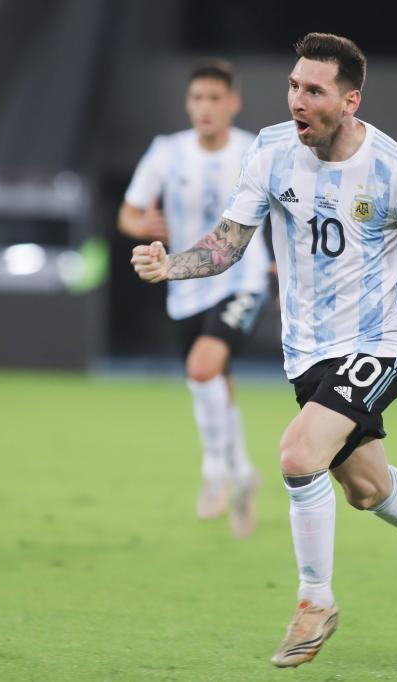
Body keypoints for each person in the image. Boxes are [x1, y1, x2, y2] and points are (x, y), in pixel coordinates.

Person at [130, 33, 397, 667]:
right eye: (294, 86)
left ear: (350, 100)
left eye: (314, 91)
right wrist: (173, 268)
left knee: (298, 454)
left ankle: (314, 602)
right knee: (364, 488)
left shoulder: (396, 171)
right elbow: (228, 243)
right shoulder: (271, 151)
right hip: (306, 353)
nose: (298, 100)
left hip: (378, 343)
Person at [118, 60, 270, 538]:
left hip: (243, 279)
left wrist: (284, 261)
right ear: (188, 104)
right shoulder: (167, 152)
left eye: (214, 99)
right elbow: (129, 212)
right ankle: (244, 473)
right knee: (215, 381)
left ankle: (214, 472)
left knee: (202, 368)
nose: (204, 108)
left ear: (233, 103)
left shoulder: (255, 151)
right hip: (184, 285)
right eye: (197, 99)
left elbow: (286, 211)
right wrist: (140, 225)